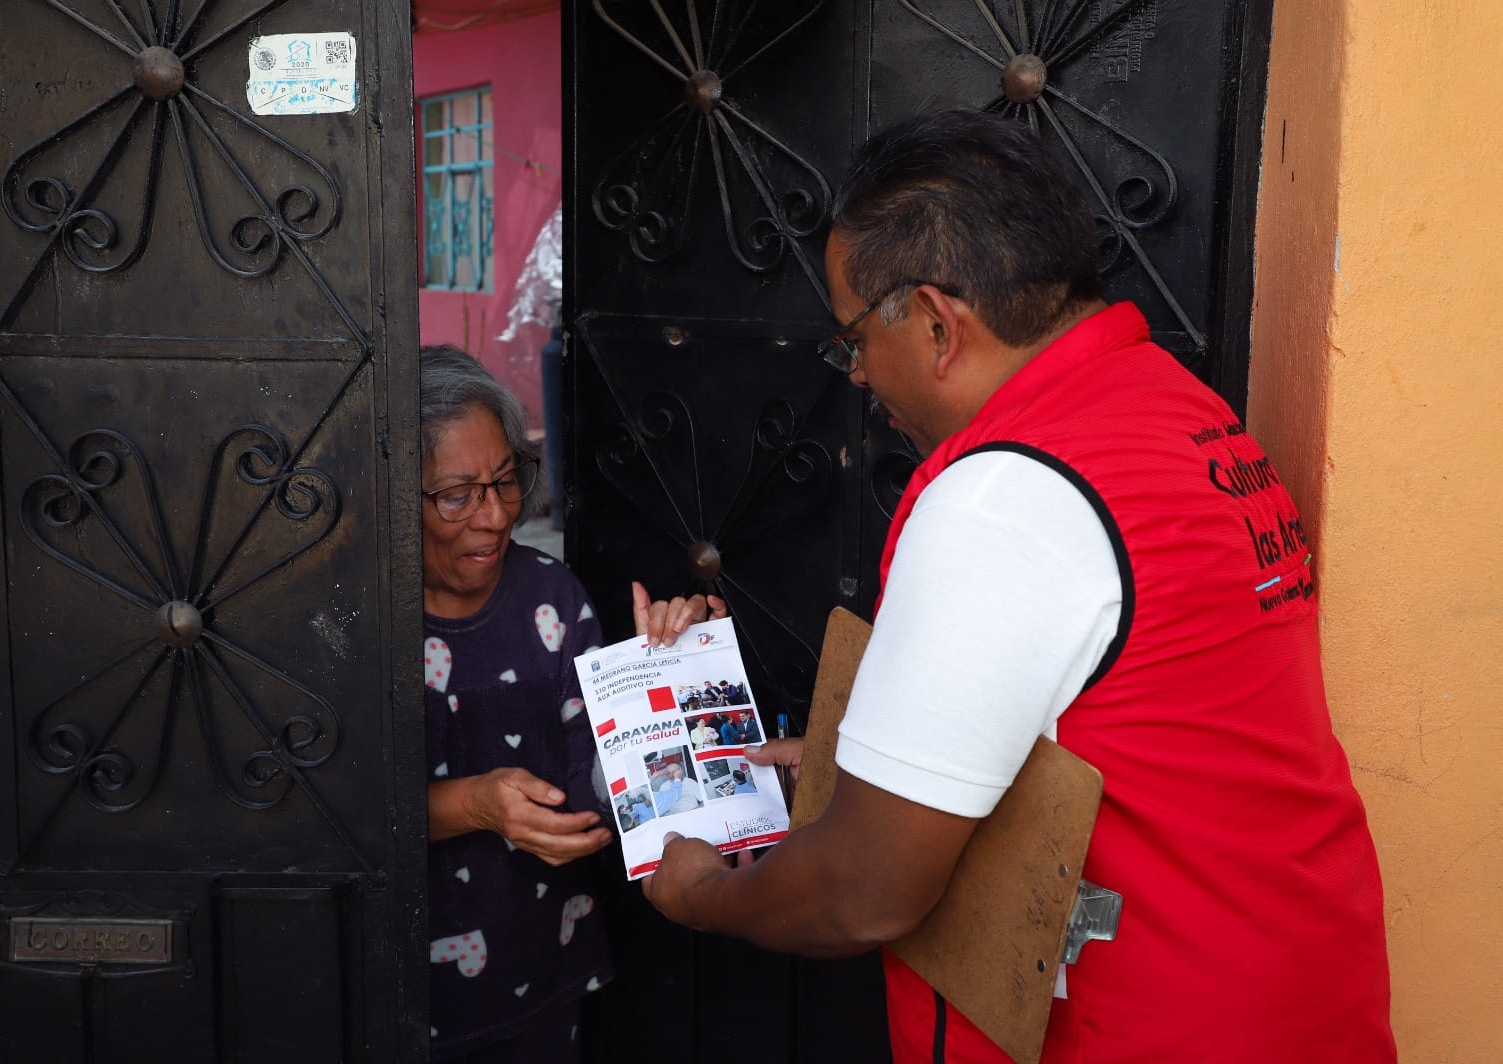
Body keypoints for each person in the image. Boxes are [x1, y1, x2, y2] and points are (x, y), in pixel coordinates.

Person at [641, 109, 1395, 1063]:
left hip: (1142, 1023)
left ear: (934, 322)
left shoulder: (1002, 494)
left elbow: (864, 893)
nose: (861, 375)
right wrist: (873, 763)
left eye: (853, 340)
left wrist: (704, 894)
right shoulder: (1179, 409)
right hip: (1289, 991)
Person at [419, 345, 719, 1063]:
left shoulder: (551, 596)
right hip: (398, 986)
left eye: (507, 480)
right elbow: (324, 811)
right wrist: (473, 804)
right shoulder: (354, 616)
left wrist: (671, 681)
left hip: (541, 966)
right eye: (458, 495)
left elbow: (606, 775)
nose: (494, 517)